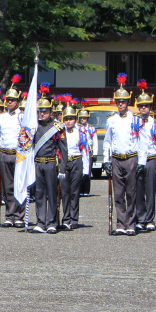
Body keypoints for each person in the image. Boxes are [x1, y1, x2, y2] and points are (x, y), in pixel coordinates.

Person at [102, 75, 141, 235]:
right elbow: (107, 141)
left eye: (123, 101)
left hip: (131, 157)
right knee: (118, 194)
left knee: (131, 193)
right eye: (118, 101)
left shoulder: (136, 119)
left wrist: (142, 162)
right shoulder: (111, 120)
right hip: (116, 158)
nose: (121, 104)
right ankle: (120, 223)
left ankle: (131, 224)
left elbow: (140, 142)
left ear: (128, 102)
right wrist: (106, 160)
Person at [31, 86, 67, 233]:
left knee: (52, 194)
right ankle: (40, 222)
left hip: (51, 163)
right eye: (40, 111)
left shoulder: (57, 127)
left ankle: (52, 222)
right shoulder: (34, 126)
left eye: (45, 111)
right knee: (39, 194)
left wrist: (63, 169)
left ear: (51, 112)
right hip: (38, 163)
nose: (42, 113)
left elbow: (63, 149)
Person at [0, 76, 25, 227]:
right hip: (4, 153)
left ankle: (19, 216)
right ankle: (9, 215)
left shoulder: (23, 117)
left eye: (12, 99)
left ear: (18, 101)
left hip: (19, 155)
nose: (9, 102)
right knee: (7, 186)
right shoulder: (1, 118)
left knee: (19, 185)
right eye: (8, 99)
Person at [135, 82, 156, 230]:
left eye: (146, 106)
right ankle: (140, 219)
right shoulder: (134, 124)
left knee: (150, 190)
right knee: (138, 190)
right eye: (141, 106)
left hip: (152, 159)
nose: (143, 108)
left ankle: (150, 219)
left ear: (150, 107)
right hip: (138, 161)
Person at [60, 101, 88, 230]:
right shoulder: (60, 132)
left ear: (75, 120)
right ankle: (65, 219)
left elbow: (85, 151)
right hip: (65, 162)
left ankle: (74, 219)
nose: (68, 122)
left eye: (71, 119)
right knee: (65, 192)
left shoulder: (81, 132)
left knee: (75, 192)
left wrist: (86, 170)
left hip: (77, 161)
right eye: (66, 119)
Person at [77, 107, 97, 197]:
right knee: (79, 170)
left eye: (84, 118)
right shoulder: (77, 128)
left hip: (88, 150)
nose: (82, 119)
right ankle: (79, 190)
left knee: (87, 171)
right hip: (80, 150)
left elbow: (95, 141)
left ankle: (86, 190)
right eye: (81, 117)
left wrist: (95, 153)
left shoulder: (91, 129)